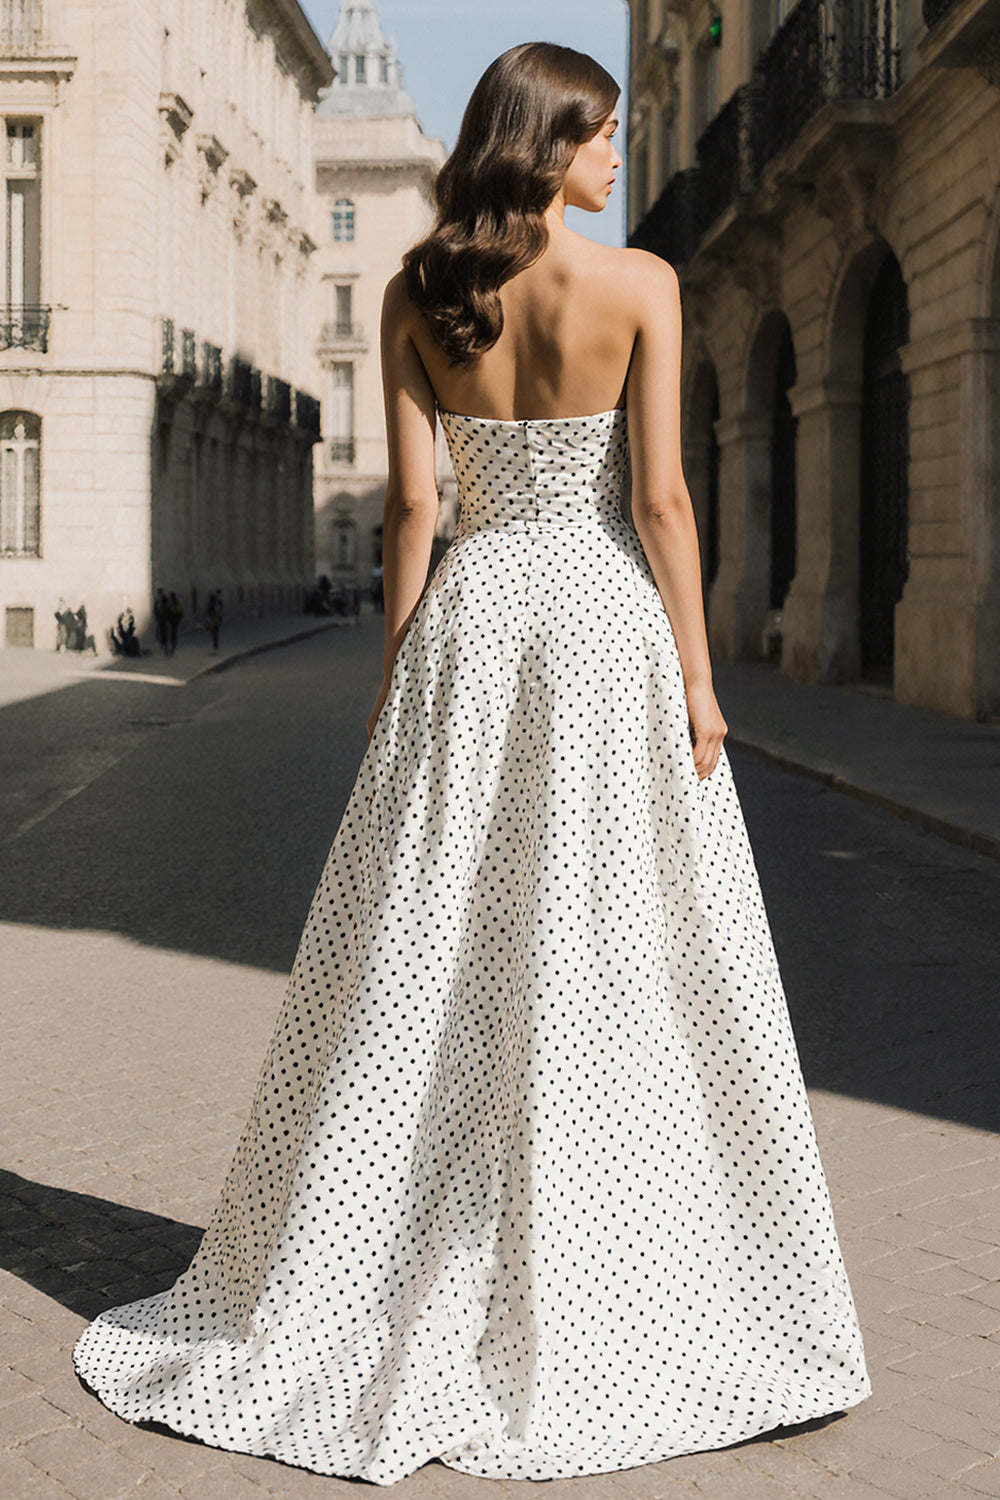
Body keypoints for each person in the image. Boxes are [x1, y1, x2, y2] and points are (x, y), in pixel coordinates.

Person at [73, 41, 870, 1487]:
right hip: (598, 623)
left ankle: (386, 1248)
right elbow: (665, 497)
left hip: (474, 619)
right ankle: (609, 1273)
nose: (620, 156)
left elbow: (416, 509)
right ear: (549, 140)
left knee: (429, 941)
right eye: (604, 134)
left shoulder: (414, 293)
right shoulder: (639, 286)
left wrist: (397, 668)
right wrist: (697, 677)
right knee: (614, 939)